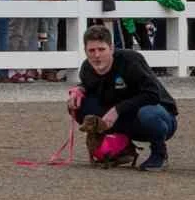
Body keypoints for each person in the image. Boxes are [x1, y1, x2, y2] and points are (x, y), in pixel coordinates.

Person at [67, 24, 177, 171]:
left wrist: (117, 109)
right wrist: (79, 90)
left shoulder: (131, 60)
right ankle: (121, 147)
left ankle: (159, 153)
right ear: (85, 51)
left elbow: (153, 94)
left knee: (148, 113)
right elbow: (89, 85)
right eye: (91, 51)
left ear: (111, 48)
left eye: (101, 49)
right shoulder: (87, 68)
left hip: (161, 117)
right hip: (126, 118)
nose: (97, 55)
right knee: (78, 104)